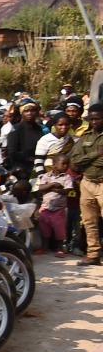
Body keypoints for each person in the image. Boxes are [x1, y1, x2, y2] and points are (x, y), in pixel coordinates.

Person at [70, 103, 103, 265]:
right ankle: (93, 253)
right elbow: (75, 161)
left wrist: (88, 160)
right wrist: (95, 154)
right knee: (89, 221)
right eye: (92, 119)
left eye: (98, 118)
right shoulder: (85, 137)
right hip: (87, 182)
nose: (95, 121)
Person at [35, 155, 75, 255]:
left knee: (59, 230)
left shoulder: (67, 177)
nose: (65, 166)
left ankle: (60, 249)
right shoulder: (46, 176)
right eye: (63, 164)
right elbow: (41, 188)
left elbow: (67, 190)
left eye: (67, 164)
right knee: (44, 228)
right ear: (54, 165)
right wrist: (53, 184)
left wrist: (53, 189)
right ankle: (44, 247)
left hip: (59, 209)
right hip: (46, 207)